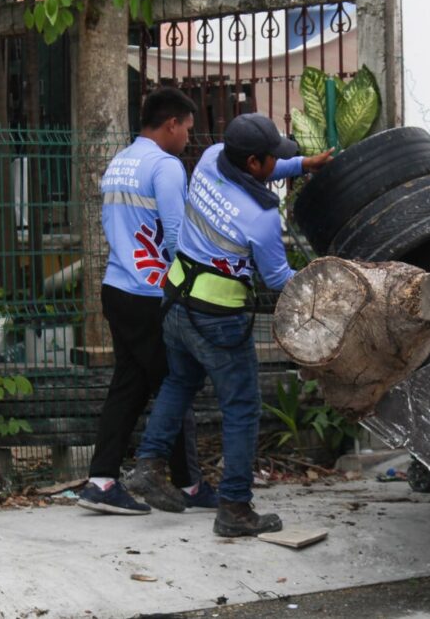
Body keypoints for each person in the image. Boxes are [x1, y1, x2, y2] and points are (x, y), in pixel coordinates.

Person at [130, 113, 333, 537]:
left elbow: (259, 165)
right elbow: (278, 280)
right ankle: (235, 508)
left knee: (178, 384)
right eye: (272, 160)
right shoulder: (259, 217)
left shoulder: (211, 157)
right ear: (255, 162)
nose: (276, 164)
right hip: (217, 320)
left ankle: (148, 465)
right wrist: (321, 285)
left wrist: (303, 164)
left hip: (176, 300)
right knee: (241, 409)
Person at [78, 87, 218, 515]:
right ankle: (190, 486)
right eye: (187, 130)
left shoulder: (119, 163)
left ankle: (101, 480)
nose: (189, 140)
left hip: (118, 288)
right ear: (171, 124)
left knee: (131, 384)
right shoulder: (166, 167)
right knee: (176, 385)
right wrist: (194, 289)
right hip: (150, 294)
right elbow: (178, 237)